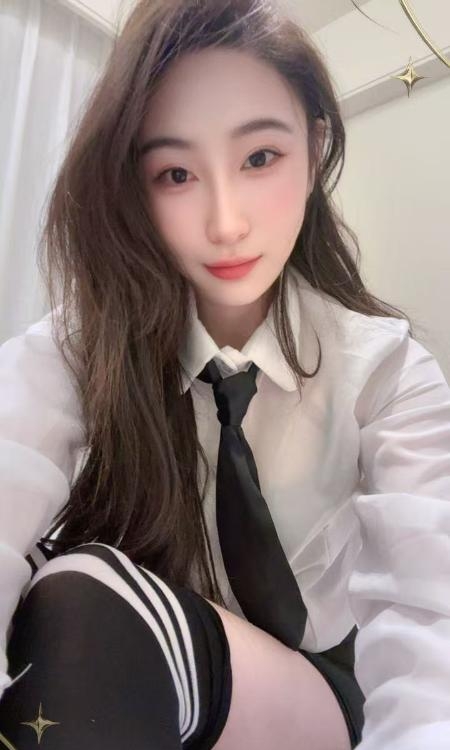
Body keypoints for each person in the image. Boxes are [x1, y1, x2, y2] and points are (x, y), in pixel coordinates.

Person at [0, 0, 449, 748]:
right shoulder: (86, 345)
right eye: (175, 173)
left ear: (315, 149)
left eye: (260, 158)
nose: (226, 223)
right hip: (152, 657)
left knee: (83, 604)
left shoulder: (386, 371)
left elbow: (432, 624)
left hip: (316, 689)